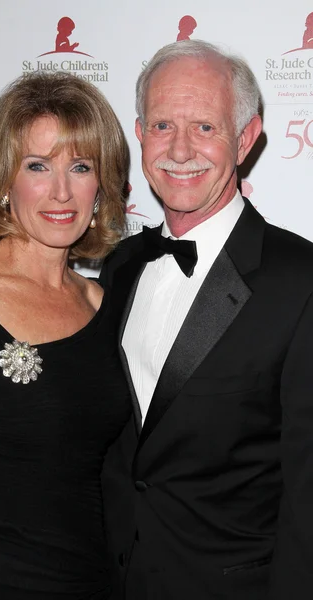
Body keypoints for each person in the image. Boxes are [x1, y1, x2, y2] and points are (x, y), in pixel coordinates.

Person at [100, 40, 313, 599]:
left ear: (246, 138)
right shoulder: (120, 267)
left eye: (205, 128)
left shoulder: (302, 282)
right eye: (164, 124)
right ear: (141, 133)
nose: (180, 149)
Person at [0, 71, 131, 600]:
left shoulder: (108, 305)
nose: (61, 191)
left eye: (80, 167)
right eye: (38, 166)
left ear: (101, 185)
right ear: (4, 180)